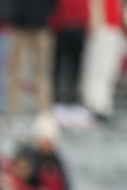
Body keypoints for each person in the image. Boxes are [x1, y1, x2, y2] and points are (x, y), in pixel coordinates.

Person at [5, 0, 57, 116]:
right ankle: (12, 108)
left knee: (42, 70)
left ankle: (42, 108)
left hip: (39, 25)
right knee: (15, 69)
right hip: (21, 25)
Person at [49, 0, 92, 129]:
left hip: (78, 27)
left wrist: (85, 22)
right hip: (62, 26)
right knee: (59, 65)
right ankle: (58, 100)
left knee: (77, 67)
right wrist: (57, 23)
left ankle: (74, 101)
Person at [81, 0, 127, 122]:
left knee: (109, 70)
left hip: (114, 27)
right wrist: (94, 25)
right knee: (97, 68)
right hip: (102, 26)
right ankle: (93, 102)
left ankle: (104, 103)